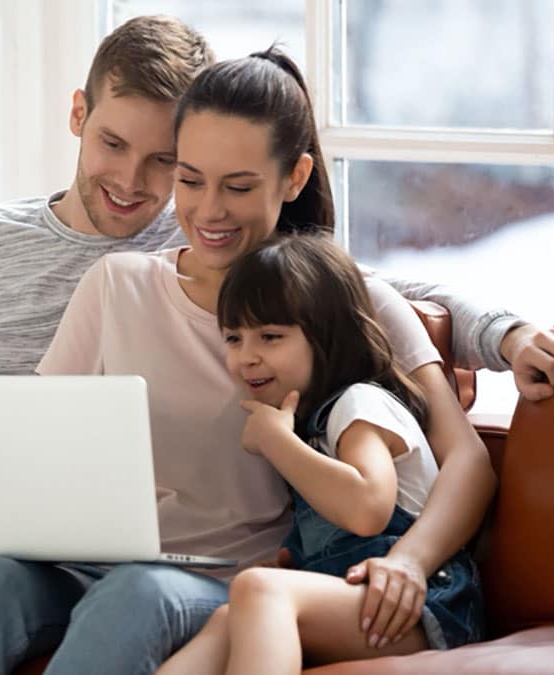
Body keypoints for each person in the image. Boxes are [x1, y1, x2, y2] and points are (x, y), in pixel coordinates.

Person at [0, 47, 554, 675]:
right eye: (190, 179)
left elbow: (464, 459)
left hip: (225, 575)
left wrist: (410, 559)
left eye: (237, 185)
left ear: (295, 178)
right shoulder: (118, 283)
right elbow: (33, 434)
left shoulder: (346, 300)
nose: (207, 210)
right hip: (87, 556)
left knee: (140, 590)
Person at [159, 233, 482, 675]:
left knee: (259, 589)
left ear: (328, 337)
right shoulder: (313, 427)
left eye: (270, 336)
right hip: (360, 596)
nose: (246, 357)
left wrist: (277, 442)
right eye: (234, 338)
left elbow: (368, 508)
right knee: (226, 619)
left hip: (423, 605)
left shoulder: (359, 405)